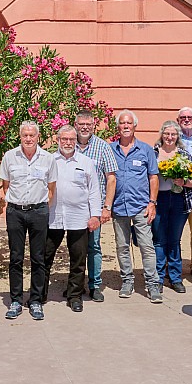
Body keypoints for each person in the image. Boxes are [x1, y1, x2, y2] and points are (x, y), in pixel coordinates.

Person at [0, 121, 57, 320]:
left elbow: (51, 189)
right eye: (25, 135)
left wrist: (38, 206)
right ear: (20, 136)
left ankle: (35, 301)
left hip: (38, 212)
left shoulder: (48, 159)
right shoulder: (9, 156)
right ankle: (15, 300)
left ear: (38, 137)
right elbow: (6, 186)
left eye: (32, 135)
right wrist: (16, 203)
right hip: (15, 212)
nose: (29, 139)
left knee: (38, 258)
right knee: (15, 257)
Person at [41, 126, 101, 312]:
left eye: (71, 139)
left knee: (78, 259)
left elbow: (94, 190)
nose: (68, 143)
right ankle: (39, 294)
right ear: (58, 140)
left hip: (79, 218)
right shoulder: (49, 160)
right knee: (44, 257)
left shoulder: (86, 162)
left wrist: (95, 215)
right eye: (64, 139)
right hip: (53, 217)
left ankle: (74, 296)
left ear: (76, 141)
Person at [107, 110, 161, 302]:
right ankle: (127, 281)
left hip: (141, 207)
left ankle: (153, 284)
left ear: (135, 126)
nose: (126, 126)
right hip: (118, 207)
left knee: (147, 246)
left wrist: (152, 203)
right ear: (118, 127)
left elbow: (153, 177)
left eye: (129, 123)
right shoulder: (110, 149)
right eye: (122, 123)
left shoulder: (146, 150)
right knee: (122, 246)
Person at [74, 110, 117, 302]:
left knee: (94, 246)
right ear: (75, 125)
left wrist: (106, 207)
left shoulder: (102, 147)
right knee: (74, 247)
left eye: (88, 124)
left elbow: (111, 179)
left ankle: (94, 285)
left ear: (94, 126)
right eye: (81, 124)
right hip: (72, 208)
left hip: (94, 208)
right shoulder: (67, 144)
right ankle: (75, 285)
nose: (84, 127)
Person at [153, 120, 192, 293]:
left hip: (179, 199)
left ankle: (175, 277)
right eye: (166, 134)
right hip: (159, 199)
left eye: (173, 134)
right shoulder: (154, 153)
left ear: (177, 136)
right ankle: (157, 277)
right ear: (162, 135)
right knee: (159, 239)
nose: (170, 137)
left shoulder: (184, 155)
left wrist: (184, 181)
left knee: (174, 239)